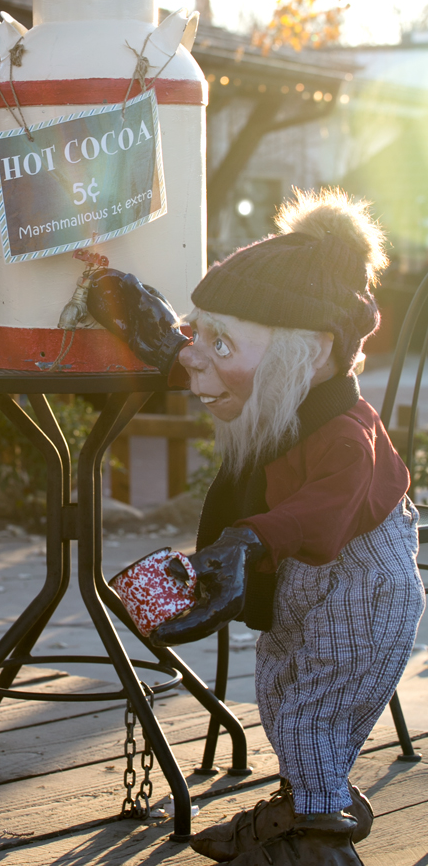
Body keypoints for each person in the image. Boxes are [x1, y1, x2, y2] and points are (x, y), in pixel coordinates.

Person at [88, 189, 425, 866]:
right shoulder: (281, 395)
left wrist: (246, 542)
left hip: (360, 591)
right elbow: (190, 350)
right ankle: (302, 809)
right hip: (306, 584)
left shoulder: (344, 435)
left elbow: (324, 510)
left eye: (220, 341)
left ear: (311, 353)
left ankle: (317, 841)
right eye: (200, 332)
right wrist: (139, 310)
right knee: (279, 694)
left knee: (313, 717)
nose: (195, 357)